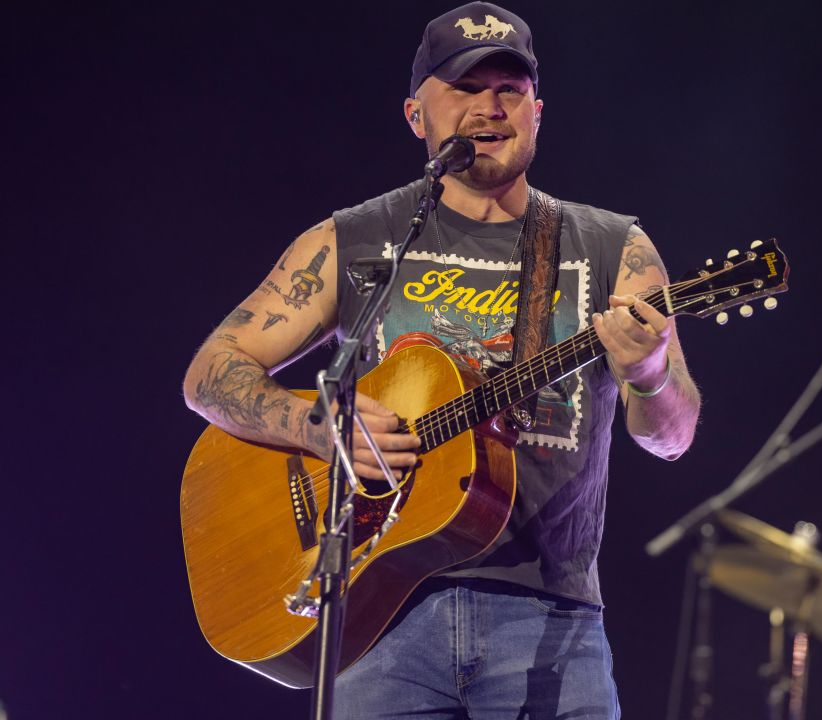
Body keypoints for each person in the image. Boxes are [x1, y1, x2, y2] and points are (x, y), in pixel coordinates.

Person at [181, 2, 701, 716]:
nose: (491, 105)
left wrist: (646, 370)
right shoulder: (356, 239)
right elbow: (211, 372)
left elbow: (671, 437)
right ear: (415, 114)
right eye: (465, 86)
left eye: (509, 89)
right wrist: (316, 430)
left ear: (538, 111)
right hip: (379, 615)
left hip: (550, 619)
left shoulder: (614, 249)